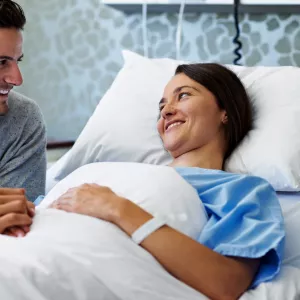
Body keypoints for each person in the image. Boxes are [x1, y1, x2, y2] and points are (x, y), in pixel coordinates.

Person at [51, 64, 284, 299]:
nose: (166, 111)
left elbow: (227, 284)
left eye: (183, 95)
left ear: (225, 111)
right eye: (161, 106)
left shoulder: (242, 192)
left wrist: (117, 208)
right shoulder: (113, 172)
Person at [0, 1, 46, 236]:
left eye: (18, 61)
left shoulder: (23, 119)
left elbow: (14, 223)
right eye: (1, 62)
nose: (17, 79)